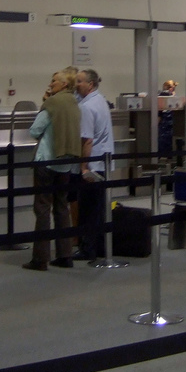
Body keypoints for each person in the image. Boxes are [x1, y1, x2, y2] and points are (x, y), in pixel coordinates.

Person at [24, 68, 82, 271]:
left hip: (46, 161)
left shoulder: (52, 103)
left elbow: (35, 131)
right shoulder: (74, 103)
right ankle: (65, 254)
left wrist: (44, 103)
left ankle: (40, 258)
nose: (51, 84)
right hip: (65, 163)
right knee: (62, 207)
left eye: (54, 81)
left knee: (42, 208)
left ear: (64, 84)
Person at [74, 68, 114, 261]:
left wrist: (83, 167)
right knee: (99, 208)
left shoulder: (87, 107)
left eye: (80, 81)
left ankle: (87, 248)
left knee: (88, 209)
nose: (76, 85)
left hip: (94, 164)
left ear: (90, 84)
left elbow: (87, 140)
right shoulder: (101, 101)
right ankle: (100, 246)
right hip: (104, 162)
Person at [158, 79, 177, 158]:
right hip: (170, 124)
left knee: (161, 142)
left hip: (163, 124)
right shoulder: (172, 97)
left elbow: (159, 113)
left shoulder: (161, 96)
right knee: (169, 143)